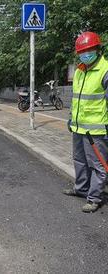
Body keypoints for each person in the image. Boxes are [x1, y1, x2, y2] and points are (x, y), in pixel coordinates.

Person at [63, 31, 108, 213]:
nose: (86, 53)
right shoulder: (80, 71)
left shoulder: (105, 71)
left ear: (97, 49)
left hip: (97, 129)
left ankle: (94, 198)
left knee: (98, 165)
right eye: (83, 51)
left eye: (90, 50)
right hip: (78, 126)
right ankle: (81, 189)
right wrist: (71, 118)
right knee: (79, 160)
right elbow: (77, 99)